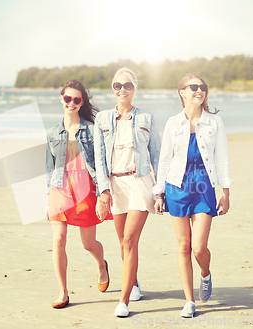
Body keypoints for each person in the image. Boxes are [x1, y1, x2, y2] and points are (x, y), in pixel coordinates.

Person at [153, 74, 233, 318]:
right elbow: (164, 158)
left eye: (202, 87)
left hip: (203, 186)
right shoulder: (172, 123)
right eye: (194, 87)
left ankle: (205, 274)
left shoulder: (214, 122)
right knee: (183, 245)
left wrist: (226, 192)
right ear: (182, 92)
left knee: (199, 248)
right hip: (177, 186)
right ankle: (189, 300)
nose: (199, 91)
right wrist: (159, 193)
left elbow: (222, 158)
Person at [94, 67, 161, 317]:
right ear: (113, 89)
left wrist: (159, 190)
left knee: (130, 240)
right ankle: (133, 281)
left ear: (134, 89)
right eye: (117, 86)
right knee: (122, 242)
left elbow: (157, 154)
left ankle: (123, 301)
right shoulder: (102, 120)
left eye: (127, 85)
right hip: (115, 185)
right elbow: (99, 159)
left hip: (139, 181)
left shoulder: (146, 118)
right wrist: (103, 192)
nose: (122, 90)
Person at [46, 79, 112, 309]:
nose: (71, 103)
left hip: (85, 190)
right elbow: (49, 168)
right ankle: (63, 292)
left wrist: (103, 193)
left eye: (76, 99)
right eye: (67, 99)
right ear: (61, 99)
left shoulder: (93, 131)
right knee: (58, 239)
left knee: (88, 243)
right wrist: (48, 196)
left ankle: (101, 265)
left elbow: (102, 164)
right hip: (60, 190)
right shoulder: (52, 133)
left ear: (81, 102)